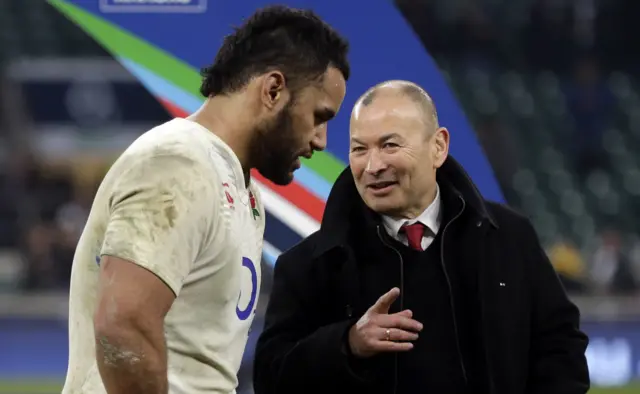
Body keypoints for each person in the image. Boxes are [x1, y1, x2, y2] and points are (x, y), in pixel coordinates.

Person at [61, 6, 349, 394]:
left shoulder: (243, 192)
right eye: (319, 115)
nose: (321, 140)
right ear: (273, 90)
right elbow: (122, 325)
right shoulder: (178, 162)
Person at [254, 80, 589, 394]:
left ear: (438, 147)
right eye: (359, 149)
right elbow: (271, 377)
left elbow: (561, 347)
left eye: (389, 145)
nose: (373, 166)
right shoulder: (309, 266)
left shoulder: (509, 238)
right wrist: (347, 343)